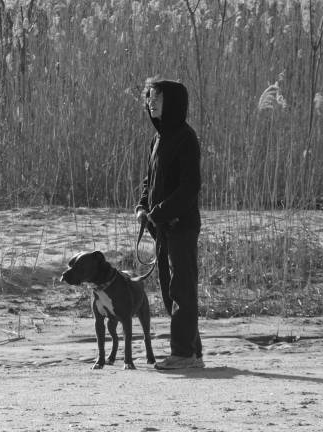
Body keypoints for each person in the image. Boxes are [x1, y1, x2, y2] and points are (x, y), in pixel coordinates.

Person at [135, 77, 204, 370]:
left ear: (172, 102)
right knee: (170, 288)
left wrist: (160, 211)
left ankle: (184, 354)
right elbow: (149, 181)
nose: (150, 102)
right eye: (149, 96)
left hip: (181, 225)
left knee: (181, 290)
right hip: (161, 226)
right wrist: (142, 207)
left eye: (157, 97)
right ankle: (192, 353)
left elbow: (190, 187)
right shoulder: (158, 138)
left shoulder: (186, 138)